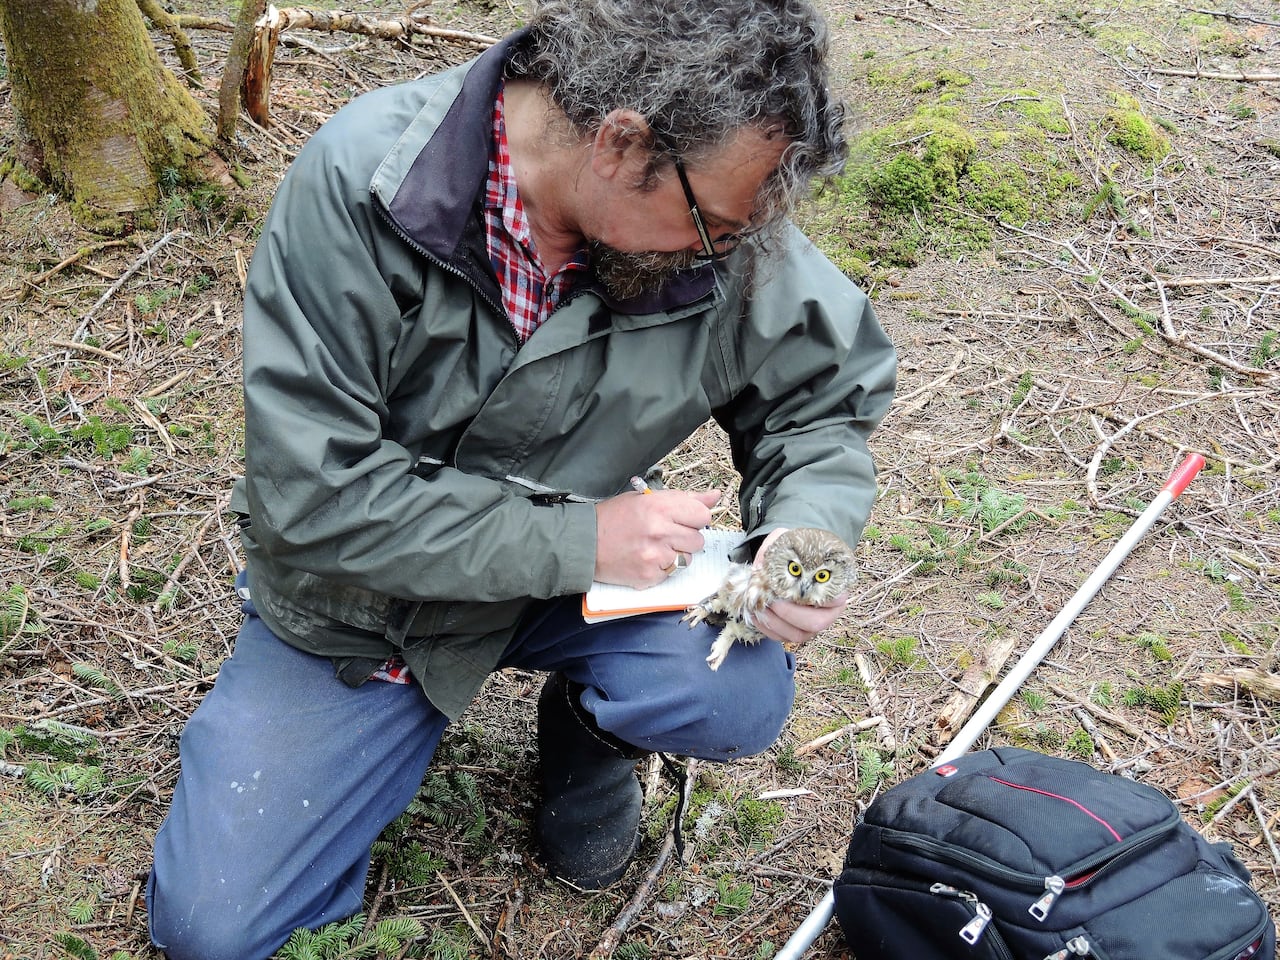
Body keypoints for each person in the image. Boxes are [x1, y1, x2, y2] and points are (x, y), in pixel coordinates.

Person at [147, 0, 897, 956]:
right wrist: (582, 540)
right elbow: (314, 500)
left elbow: (819, 402)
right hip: (359, 602)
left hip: (571, 580)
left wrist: (805, 527)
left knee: (734, 693)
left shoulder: (714, 213)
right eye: (711, 225)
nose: (726, 253)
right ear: (622, 147)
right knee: (216, 931)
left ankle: (589, 739)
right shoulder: (371, 185)